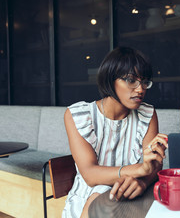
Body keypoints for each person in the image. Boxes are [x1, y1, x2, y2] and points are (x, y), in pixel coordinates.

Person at [62, 47, 168, 218]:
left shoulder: (147, 114)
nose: (140, 89)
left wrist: (142, 182)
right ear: (110, 80)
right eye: (131, 80)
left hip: (130, 196)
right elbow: (90, 174)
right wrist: (140, 170)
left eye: (144, 82)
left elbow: (154, 166)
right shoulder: (79, 115)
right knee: (101, 195)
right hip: (88, 198)